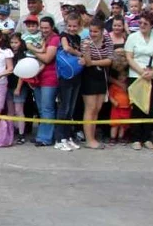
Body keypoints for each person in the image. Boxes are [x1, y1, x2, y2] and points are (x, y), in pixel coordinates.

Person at [124, 11, 153, 151]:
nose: (142, 25)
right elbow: (129, 57)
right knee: (137, 107)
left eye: (146, 23)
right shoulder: (132, 37)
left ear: (152, 25)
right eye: (140, 23)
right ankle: (135, 138)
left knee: (149, 107)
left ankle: (147, 137)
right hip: (136, 75)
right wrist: (141, 72)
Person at [80, 19, 113, 149]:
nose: (93, 34)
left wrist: (94, 62)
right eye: (91, 31)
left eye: (96, 31)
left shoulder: (107, 40)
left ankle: (93, 136)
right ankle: (89, 139)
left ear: (102, 31)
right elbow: (87, 62)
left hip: (101, 76)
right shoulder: (85, 41)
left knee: (98, 108)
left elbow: (110, 60)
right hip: (89, 76)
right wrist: (87, 52)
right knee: (90, 108)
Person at [53, 14, 84, 152]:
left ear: (79, 26)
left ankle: (67, 136)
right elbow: (66, 48)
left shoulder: (78, 37)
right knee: (63, 108)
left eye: (75, 26)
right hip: (65, 76)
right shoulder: (64, 35)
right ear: (66, 25)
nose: (72, 28)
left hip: (76, 74)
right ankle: (59, 139)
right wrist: (79, 54)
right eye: (69, 25)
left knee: (71, 109)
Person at [6, 33, 28, 144]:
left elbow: (22, 74)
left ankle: (21, 134)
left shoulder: (22, 55)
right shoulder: (8, 55)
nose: (14, 45)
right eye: (12, 42)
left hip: (19, 86)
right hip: (8, 86)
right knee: (10, 111)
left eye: (16, 42)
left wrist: (18, 88)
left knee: (19, 110)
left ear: (21, 43)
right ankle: (10, 132)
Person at [108, 70, 131, 145]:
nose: (121, 77)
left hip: (126, 108)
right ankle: (113, 138)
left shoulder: (128, 86)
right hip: (116, 108)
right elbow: (110, 95)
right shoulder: (113, 86)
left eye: (123, 75)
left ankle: (121, 137)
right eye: (120, 75)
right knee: (115, 124)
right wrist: (113, 101)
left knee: (123, 125)